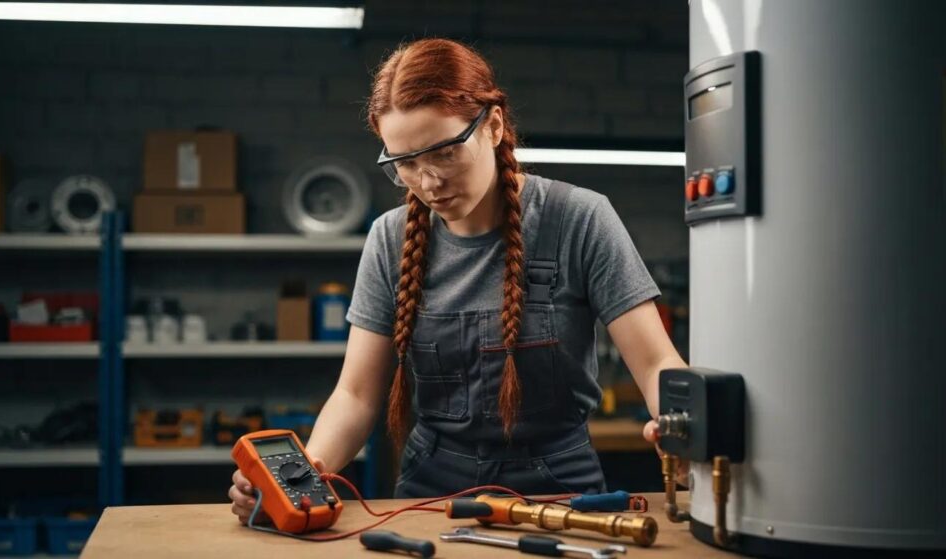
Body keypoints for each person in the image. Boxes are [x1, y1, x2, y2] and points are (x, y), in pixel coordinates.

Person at [229, 38, 687, 523]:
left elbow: (656, 361)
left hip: (559, 492)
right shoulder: (390, 238)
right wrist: (304, 477)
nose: (428, 183)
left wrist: (682, 432)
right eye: (405, 164)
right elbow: (357, 395)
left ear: (492, 126)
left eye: (444, 153)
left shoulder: (580, 219)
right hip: (430, 494)